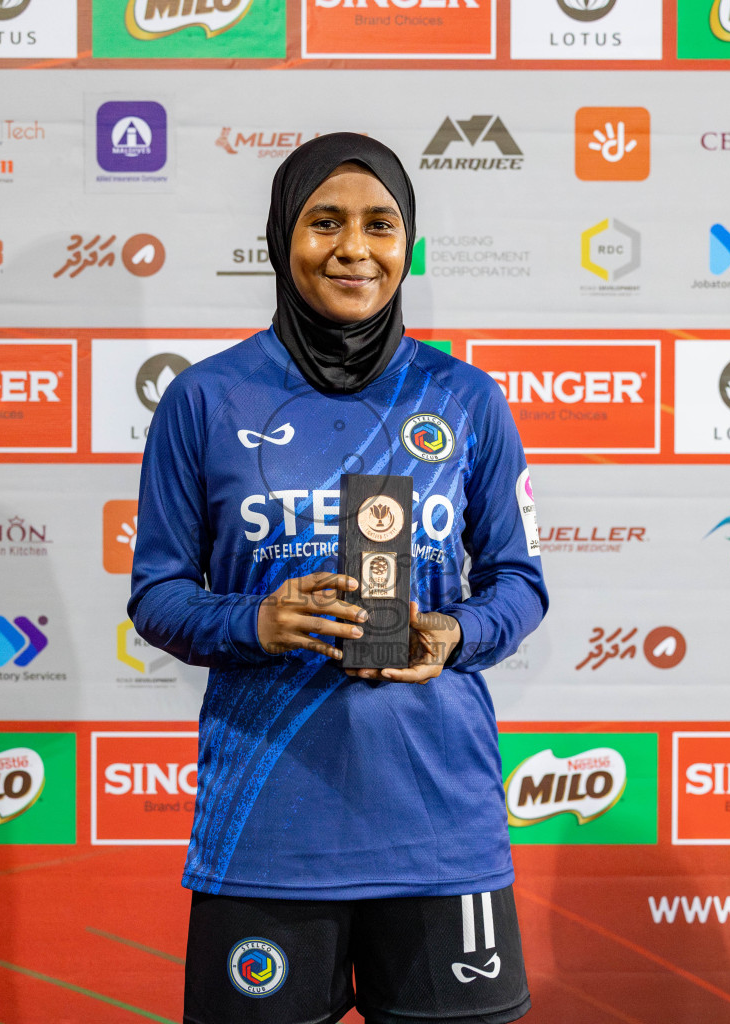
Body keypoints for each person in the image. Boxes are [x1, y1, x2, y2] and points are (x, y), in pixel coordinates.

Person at [129, 133, 548, 1024]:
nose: (355, 247)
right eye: (326, 222)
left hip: (441, 832)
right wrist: (256, 623)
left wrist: (456, 633)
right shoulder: (204, 399)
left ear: (408, 244)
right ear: (282, 236)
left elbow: (521, 580)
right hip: (268, 833)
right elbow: (157, 594)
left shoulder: (465, 398)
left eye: (380, 225)